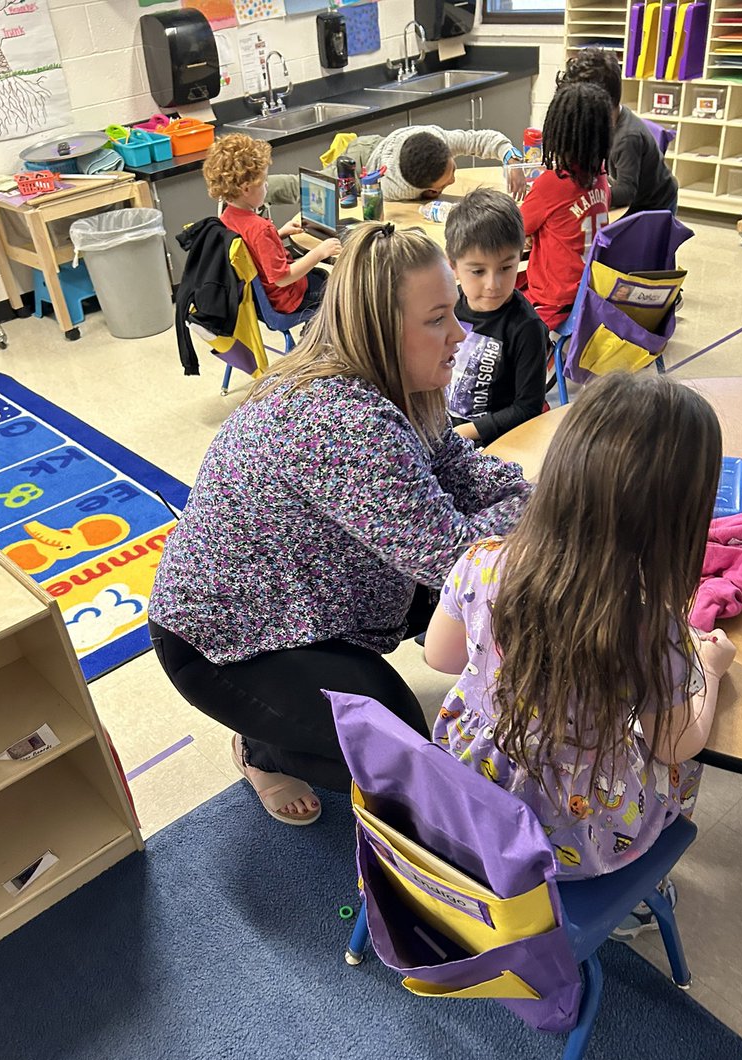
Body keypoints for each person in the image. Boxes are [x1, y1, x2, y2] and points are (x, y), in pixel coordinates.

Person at [148, 224, 532, 827]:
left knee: (485, 602)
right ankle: (262, 749)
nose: (459, 334)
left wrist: (535, 499)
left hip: (302, 599)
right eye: (437, 319)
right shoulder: (339, 419)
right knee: (408, 760)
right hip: (227, 645)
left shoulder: (384, 384)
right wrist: (549, 512)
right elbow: (459, 557)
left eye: (452, 312)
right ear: (381, 327)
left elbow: (464, 470)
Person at [424, 373, 735, 895]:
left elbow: (440, 657)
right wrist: (713, 674)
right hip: (573, 845)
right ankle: (634, 899)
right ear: (681, 518)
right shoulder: (652, 629)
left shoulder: (481, 560)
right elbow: (677, 745)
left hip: (463, 804)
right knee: (687, 768)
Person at [443, 187, 549, 444]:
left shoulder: (526, 327)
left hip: (497, 442)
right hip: (444, 427)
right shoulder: (447, 305)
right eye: (478, 271)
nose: (494, 284)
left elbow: (527, 408)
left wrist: (460, 434)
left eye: (506, 268)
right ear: (453, 266)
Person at [202, 133, 339, 314]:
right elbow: (282, 278)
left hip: (259, 298)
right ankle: (317, 332)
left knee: (321, 277)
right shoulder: (260, 228)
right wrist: (320, 253)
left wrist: (279, 233)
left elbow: (251, 249)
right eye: (264, 181)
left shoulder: (226, 217)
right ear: (246, 189)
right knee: (336, 288)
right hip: (286, 298)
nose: (267, 186)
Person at [519, 82, 613, 330]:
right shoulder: (601, 176)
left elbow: (513, 227)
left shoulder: (552, 183)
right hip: (591, 290)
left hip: (554, 298)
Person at [267, 126, 527, 207]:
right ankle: (247, 189)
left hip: (381, 145)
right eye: (445, 182)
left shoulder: (439, 141)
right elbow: (389, 210)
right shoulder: (395, 188)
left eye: (452, 170)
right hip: (362, 167)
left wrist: (511, 158)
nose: (452, 181)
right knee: (306, 188)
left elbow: (482, 139)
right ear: (423, 188)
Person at [558, 48, 679, 215]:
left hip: (655, 204)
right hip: (636, 192)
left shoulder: (627, 138)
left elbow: (626, 192)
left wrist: (587, 196)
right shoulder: (608, 120)